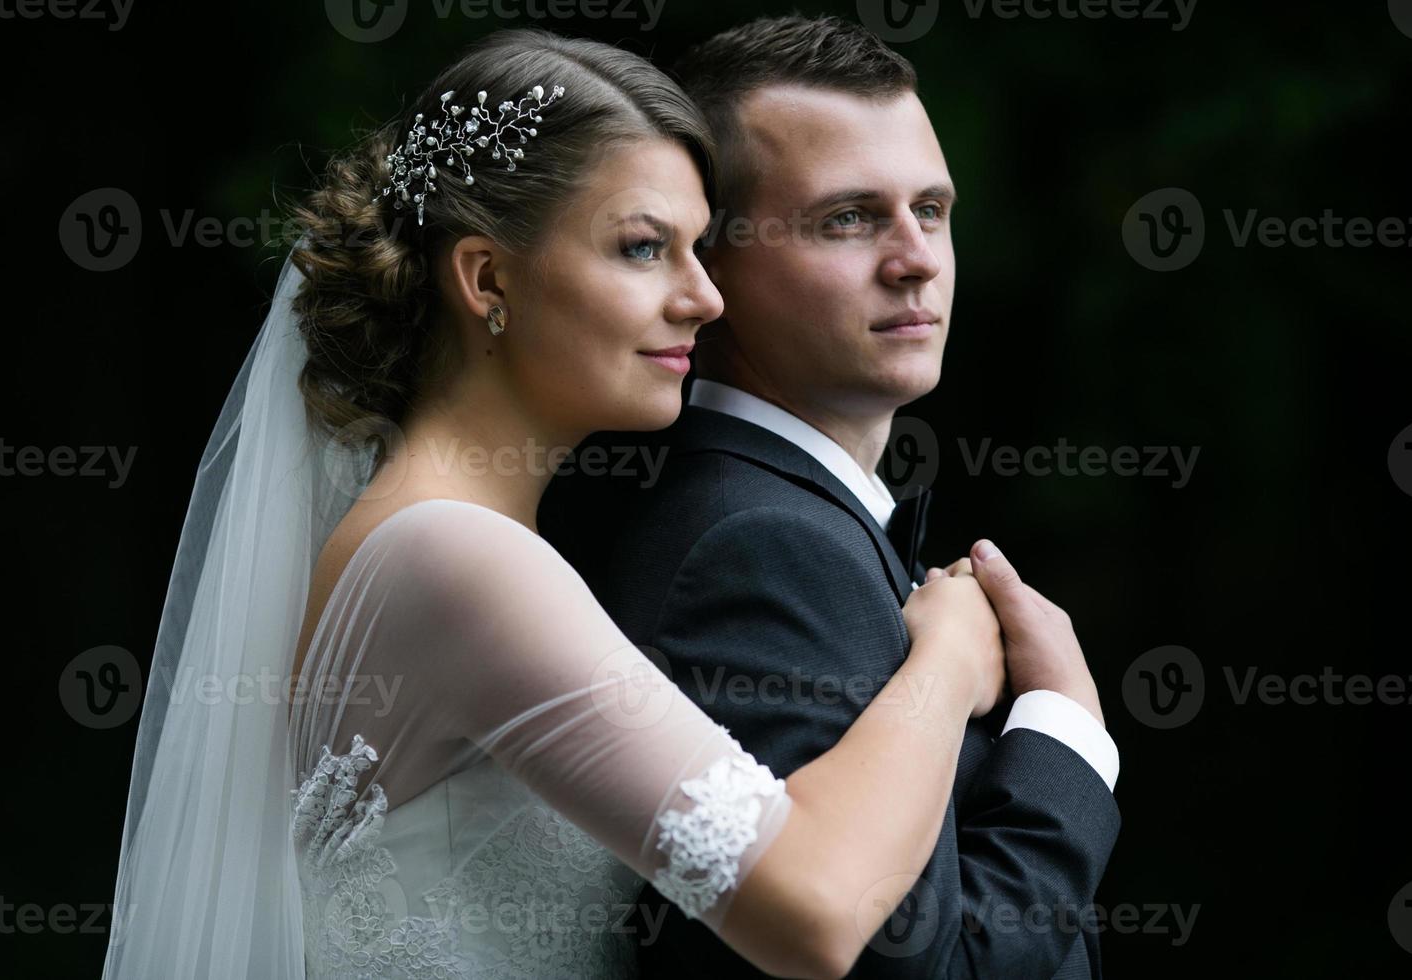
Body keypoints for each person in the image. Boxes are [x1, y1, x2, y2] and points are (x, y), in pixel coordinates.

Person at [101, 29, 1008, 980]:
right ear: (488, 279)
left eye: (700, 249)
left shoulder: (447, 535)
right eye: (644, 248)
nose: (703, 298)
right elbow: (815, 911)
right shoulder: (458, 562)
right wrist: (945, 662)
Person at [541, 15, 1122, 979]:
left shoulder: (766, 513)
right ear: (706, 265)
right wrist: (1067, 732)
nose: (916, 258)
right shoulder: (759, 546)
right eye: (848, 218)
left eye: (931, 210)